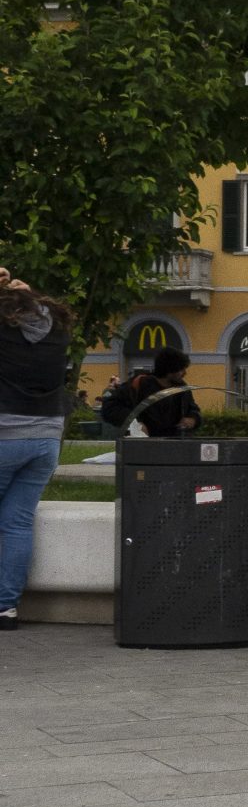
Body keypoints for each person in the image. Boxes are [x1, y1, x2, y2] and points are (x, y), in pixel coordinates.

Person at [0, 268, 73, 630]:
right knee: (16, 523)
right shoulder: (57, 331)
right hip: (46, 436)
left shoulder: (5, 330)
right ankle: (5, 608)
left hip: (4, 434)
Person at [134, 349, 203, 438]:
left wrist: (193, 419)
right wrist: (137, 425)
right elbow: (117, 409)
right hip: (146, 443)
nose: (185, 373)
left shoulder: (182, 388)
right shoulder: (141, 384)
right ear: (170, 369)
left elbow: (194, 409)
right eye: (181, 370)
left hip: (175, 442)